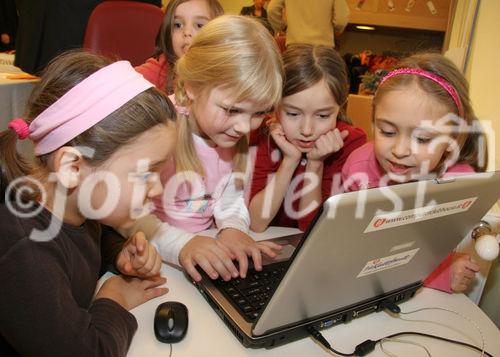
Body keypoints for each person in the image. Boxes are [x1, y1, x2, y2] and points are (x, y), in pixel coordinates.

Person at [0, 50, 178, 355]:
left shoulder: (78, 205)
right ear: (72, 167)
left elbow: (84, 239)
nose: (158, 188)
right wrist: (113, 298)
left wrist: (119, 254)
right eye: (147, 172)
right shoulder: (23, 250)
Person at [128, 15, 284, 283]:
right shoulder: (157, 133)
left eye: (259, 113)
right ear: (192, 87)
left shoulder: (228, 133)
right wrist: (183, 245)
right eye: (232, 109)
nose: (245, 127)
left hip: (205, 258)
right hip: (152, 263)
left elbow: (229, 198)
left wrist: (233, 228)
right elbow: (128, 214)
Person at [342, 53, 486, 293]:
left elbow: (424, 251)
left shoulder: (459, 185)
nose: (399, 151)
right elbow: (348, 250)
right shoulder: (358, 167)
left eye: (422, 138)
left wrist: (443, 271)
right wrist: (439, 276)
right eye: (387, 132)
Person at [249, 44, 367, 233]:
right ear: (275, 104)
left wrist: (315, 163)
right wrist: (290, 160)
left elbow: (313, 229)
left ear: (341, 106)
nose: (306, 130)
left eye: (322, 116)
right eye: (293, 114)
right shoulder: (264, 135)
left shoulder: (350, 143)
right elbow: (256, 223)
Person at [135, 0, 224, 94]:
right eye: (178, 25)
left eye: (199, 25)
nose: (187, 32)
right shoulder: (160, 69)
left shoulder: (229, 73)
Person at [267, 0, 350, 48]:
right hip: (322, 47)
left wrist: (283, 27)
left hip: (295, 45)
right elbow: (341, 20)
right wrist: (333, 31)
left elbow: (271, 10)